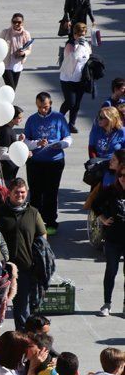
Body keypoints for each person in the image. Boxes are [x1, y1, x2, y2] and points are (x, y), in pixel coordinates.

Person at [23, 93, 71, 235]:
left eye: (45, 107)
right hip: (35, 162)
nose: (42, 110)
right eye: (39, 107)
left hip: (54, 162)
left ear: (50, 104)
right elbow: (25, 141)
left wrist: (60, 144)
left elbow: (68, 137)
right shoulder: (32, 120)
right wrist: (37, 143)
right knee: (35, 193)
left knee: (51, 192)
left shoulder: (59, 118)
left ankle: (51, 222)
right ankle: (34, 222)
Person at [93, 159, 125, 316]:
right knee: (111, 270)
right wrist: (103, 218)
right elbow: (95, 204)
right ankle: (107, 303)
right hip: (113, 238)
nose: (124, 178)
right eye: (121, 175)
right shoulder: (111, 190)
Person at [59, 22, 92, 133]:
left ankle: (71, 124)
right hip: (67, 78)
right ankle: (58, 119)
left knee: (77, 104)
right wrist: (80, 46)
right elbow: (73, 58)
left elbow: (88, 55)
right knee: (70, 102)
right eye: (78, 34)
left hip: (80, 78)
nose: (81, 36)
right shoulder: (70, 45)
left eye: (83, 34)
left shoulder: (86, 44)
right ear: (74, 34)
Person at [0, 13, 32, 89]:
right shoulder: (5, 32)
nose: (16, 24)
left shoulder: (26, 34)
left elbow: (29, 50)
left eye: (19, 22)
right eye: (14, 22)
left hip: (18, 65)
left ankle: (5, 100)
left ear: (23, 23)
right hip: (6, 65)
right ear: (11, 22)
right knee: (11, 89)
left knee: (12, 90)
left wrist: (23, 53)